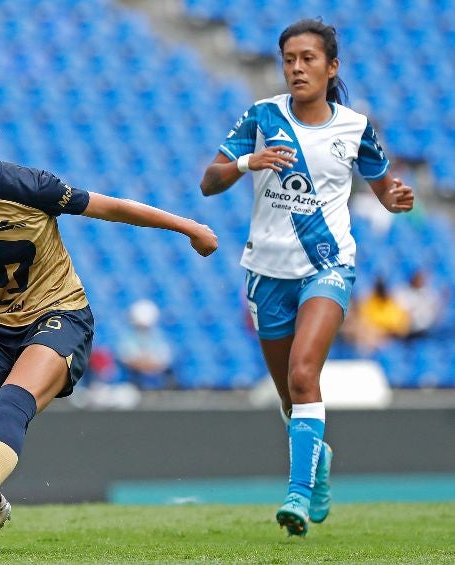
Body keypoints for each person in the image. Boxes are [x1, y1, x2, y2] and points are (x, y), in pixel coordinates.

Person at [0, 104, 217, 553]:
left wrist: (189, 228)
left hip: (59, 318)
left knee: (12, 402)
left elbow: (113, 208)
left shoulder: (30, 186)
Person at [198, 19, 414, 537]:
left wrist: (398, 198)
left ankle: (296, 495)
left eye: (308, 58)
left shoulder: (355, 128)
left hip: (327, 266)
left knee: (303, 373)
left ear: (331, 67)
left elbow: (384, 189)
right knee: (290, 397)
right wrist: (250, 160)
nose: (297, 67)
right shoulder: (262, 115)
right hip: (266, 273)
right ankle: (317, 462)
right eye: (289, 58)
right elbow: (208, 182)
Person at [116, 299, 174, 390]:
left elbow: (164, 360)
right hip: (133, 379)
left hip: (156, 379)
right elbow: (127, 358)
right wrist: (144, 364)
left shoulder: (158, 337)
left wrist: (149, 365)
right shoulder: (128, 337)